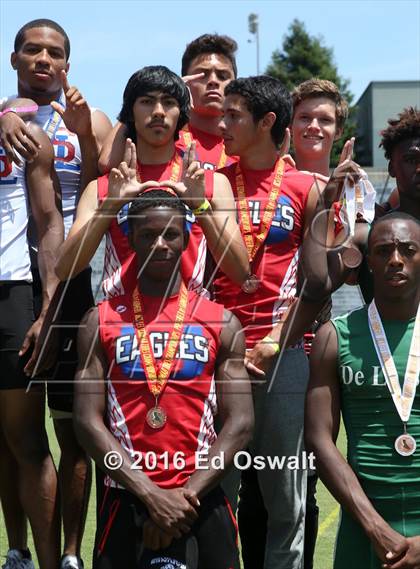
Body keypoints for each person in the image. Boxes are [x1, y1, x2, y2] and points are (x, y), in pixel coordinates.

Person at [73, 188, 254, 568]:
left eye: (170, 234)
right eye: (148, 235)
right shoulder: (100, 320)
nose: (160, 244)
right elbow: (87, 422)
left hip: (200, 498)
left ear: (187, 237)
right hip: (125, 495)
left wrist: (182, 497)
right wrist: (151, 495)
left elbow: (240, 424)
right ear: (130, 239)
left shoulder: (221, 322)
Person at [0, 18, 112, 569]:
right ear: (15, 57)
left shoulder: (89, 121)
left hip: (71, 279)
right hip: (16, 278)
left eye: (55, 53)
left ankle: (68, 554)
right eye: (33, 50)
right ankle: (19, 548)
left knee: (72, 427)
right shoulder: (2, 115)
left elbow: (102, 184)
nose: (43, 60)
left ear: (68, 62)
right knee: (12, 428)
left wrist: (86, 135)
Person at [237, 77, 350, 569]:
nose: (313, 126)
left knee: (290, 493)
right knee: (227, 492)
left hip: (295, 353)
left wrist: (336, 206)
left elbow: (329, 275)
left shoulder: (321, 190)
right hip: (228, 353)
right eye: (304, 116)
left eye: (324, 119)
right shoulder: (220, 181)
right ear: (287, 124)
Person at [213, 75, 320, 569]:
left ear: (266, 122)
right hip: (219, 359)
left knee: (286, 499)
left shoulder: (306, 187)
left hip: (284, 357)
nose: (223, 123)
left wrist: (276, 340)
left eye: (234, 115)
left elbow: (317, 285)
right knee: (215, 494)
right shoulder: (212, 178)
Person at [55, 65, 248, 297]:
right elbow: (64, 269)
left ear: (182, 115)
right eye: (147, 101)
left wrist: (200, 207)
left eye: (168, 102)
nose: (158, 111)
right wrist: (109, 208)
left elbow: (240, 272)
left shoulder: (213, 184)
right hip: (121, 324)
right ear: (130, 114)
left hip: (189, 324)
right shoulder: (103, 187)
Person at [306, 211, 420, 569]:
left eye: (409, 249)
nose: (396, 260)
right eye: (384, 251)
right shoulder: (334, 336)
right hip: (365, 525)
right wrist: (374, 527)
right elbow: (319, 439)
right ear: (368, 261)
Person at [0, 106, 64, 568]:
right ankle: (16, 553)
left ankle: (44, 562)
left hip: (11, 292)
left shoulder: (28, 136)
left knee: (25, 439)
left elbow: (48, 220)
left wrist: (47, 308)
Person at [98, 33, 238, 173]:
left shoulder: (245, 142)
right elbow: (106, 163)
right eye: (203, 74)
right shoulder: (161, 131)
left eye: (223, 76)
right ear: (186, 81)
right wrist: (171, 91)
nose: (213, 81)